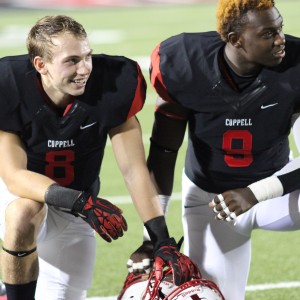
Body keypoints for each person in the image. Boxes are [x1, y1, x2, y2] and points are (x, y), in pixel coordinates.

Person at [0, 15, 196, 300]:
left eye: (87, 56)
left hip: (78, 212)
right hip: (23, 198)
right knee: (23, 212)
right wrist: (79, 200)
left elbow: (133, 170)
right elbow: (14, 177)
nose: (84, 69)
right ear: (40, 65)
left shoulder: (113, 82)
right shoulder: (9, 84)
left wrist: (160, 238)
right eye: (72, 61)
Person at [128, 0, 300, 299]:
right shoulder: (184, 63)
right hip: (211, 201)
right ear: (236, 40)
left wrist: (256, 192)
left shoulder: (296, 64)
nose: (281, 39)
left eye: (280, 28)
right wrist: (151, 237)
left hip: (276, 190)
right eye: (268, 33)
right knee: (212, 295)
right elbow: (164, 152)